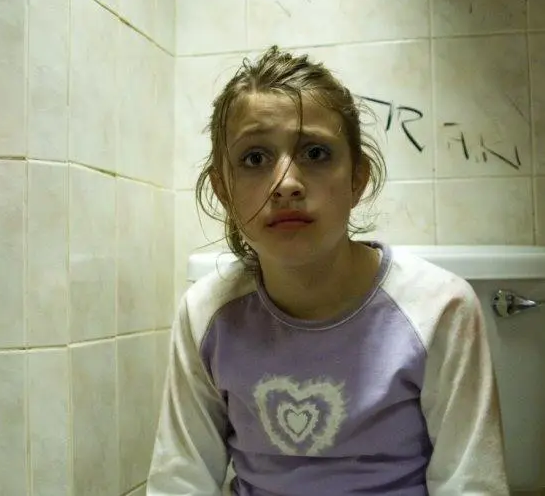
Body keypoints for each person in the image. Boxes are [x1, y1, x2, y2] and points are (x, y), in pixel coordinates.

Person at [147, 45, 509, 495]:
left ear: (358, 178)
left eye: (315, 153)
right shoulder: (206, 313)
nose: (286, 184)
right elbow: (180, 481)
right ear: (223, 190)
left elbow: (471, 484)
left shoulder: (440, 309)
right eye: (255, 159)